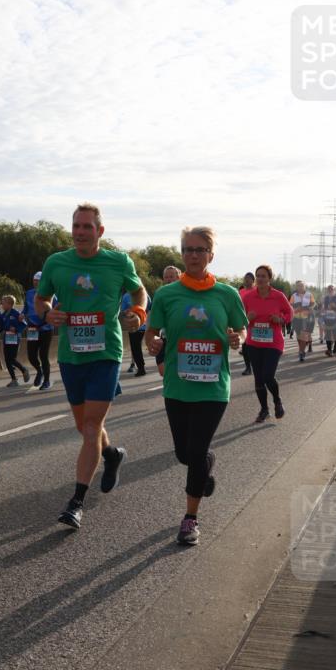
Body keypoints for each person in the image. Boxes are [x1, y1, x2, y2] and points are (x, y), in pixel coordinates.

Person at [35, 203, 147, 529]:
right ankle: (112, 454)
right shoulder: (56, 262)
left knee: (91, 426)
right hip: (71, 355)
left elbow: (140, 292)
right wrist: (46, 313)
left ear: (100, 231)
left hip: (106, 352)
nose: (80, 232)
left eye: (87, 227)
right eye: (76, 226)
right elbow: (41, 299)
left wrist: (138, 313)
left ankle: (76, 501)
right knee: (83, 425)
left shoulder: (117, 261)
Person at [145, 227, 248, 546]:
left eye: (200, 250)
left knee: (197, 448)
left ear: (211, 255)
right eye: (188, 249)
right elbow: (151, 334)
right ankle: (205, 466)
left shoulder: (227, 294)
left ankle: (190, 519)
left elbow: (242, 329)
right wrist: (154, 343)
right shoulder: (166, 295)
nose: (193, 255)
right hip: (177, 384)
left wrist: (238, 339)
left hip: (214, 386)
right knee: (184, 454)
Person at [241, 264, 293, 422]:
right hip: (254, 343)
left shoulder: (278, 296)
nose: (260, 278)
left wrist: (281, 320)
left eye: (264, 276)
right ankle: (264, 409)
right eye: (258, 276)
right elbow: (239, 316)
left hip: (273, 343)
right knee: (258, 378)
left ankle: (277, 401)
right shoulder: (248, 297)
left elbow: (289, 311)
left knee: (267, 376)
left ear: (269, 279)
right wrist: (246, 318)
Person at [23, 271, 54, 390]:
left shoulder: (51, 294)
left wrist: (41, 324)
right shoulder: (29, 293)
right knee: (31, 356)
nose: (35, 283)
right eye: (34, 280)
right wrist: (22, 315)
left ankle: (46, 381)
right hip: (32, 329)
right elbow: (26, 308)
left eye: (38, 281)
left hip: (46, 328)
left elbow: (54, 310)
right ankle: (39, 371)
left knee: (43, 355)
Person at [0, 295, 30, 387]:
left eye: (3, 303)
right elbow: (1, 326)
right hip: (6, 339)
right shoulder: (3, 314)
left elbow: (24, 325)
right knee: (7, 360)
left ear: (9, 304)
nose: (2, 305)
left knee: (11, 358)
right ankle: (14, 379)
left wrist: (16, 329)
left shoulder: (16, 313)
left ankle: (24, 369)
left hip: (15, 339)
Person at [155, 265, 181, 376]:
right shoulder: (160, 294)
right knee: (162, 370)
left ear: (178, 278)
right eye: (166, 277)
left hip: (179, 338)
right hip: (164, 337)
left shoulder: (184, 295)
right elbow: (153, 316)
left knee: (179, 370)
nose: (168, 279)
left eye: (171, 276)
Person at [121, 290, 149, 377]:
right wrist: (127, 312)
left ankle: (141, 368)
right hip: (132, 326)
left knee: (136, 347)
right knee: (135, 347)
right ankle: (140, 366)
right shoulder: (126, 296)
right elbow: (123, 310)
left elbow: (149, 308)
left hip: (142, 326)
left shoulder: (144, 294)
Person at [289, 281, 315, 361]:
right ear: (296, 287)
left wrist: (309, 308)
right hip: (296, 318)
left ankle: (301, 352)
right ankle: (301, 348)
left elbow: (313, 304)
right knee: (299, 336)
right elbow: (289, 306)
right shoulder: (293, 296)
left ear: (304, 286)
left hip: (306, 318)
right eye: (298, 286)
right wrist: (296, 309)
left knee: (303, 335)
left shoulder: (309, 295)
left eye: (301, 286)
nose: (300, 287)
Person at [239, 272, 255, 375]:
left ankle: (257, 365)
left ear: (253, 280)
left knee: (253, 346)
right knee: (245, 345)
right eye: (245, 278)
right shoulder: (241, 291)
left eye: (249, 278)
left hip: (255, 321)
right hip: (244, 321)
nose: (246, 280)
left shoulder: (257, 291)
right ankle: (248, 367)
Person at [321, 285, 336, 356]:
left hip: (335, 319)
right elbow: (323, 308)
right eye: (329, 290)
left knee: (335, 333)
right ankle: (329, 350)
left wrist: (335, 306)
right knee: (328, 334)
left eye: (332, 289)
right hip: (327, 318)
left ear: (334, 290)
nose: (330, 291)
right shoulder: (325, 298)